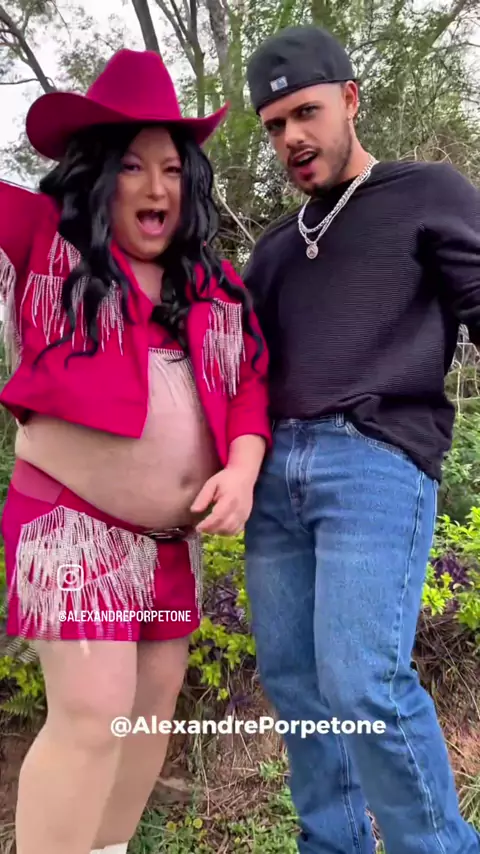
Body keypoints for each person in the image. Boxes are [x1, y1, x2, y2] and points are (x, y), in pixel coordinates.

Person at [0, 49, 271, 854]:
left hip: (167, 543)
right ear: (95, 177)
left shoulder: (215, 285)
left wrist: (243, 468)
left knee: (146, 715)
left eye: (172, 169)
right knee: (92, 714)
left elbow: (250, 386)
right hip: (72, 527)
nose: (157, 187)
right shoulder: (48, 244)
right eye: (131, 166)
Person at [242, 23, 480, 854]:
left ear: (349, 99)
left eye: (305, 113)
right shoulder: (274, 249)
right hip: (272, 479)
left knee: (362, 681)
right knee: (299, 687)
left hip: (374, 457)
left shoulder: (427, 192)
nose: (291, 138)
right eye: (275, 125)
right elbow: (237, 369)